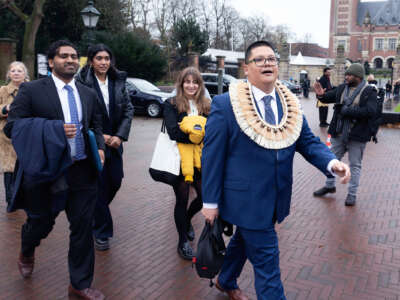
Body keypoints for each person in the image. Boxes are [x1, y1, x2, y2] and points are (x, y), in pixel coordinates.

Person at [201, 40, 350, 300]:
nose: (267, 63)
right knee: (268, 266)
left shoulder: (289, 103)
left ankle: (225, 280)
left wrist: (331, 162)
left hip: (276, 197)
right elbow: (212, 156)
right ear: (246, 68)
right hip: (245, 200)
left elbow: (307, 141)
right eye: (259, 59)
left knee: (241, 242)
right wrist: (210, 202)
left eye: (271, 58)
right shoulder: (225, 105)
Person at [4, 40, 106, 300]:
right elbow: (12, 126)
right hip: (47, 172)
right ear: (51, 62)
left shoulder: (87, 93)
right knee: (41, 223)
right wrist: (52, 130)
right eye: (64, 56)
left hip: (83, 170)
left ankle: (79, 284)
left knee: (83, 228)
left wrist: (101, 148)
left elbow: (95, 126)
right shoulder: (32, 90)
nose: (71, 60)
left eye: (74, 56)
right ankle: (28, 248)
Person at [76, 44, 133, 251]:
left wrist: (119, 136)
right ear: (91, 61)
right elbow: (81, 114)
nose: (103, 62)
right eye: (99, 58)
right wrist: (102, 136)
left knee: (115, 181)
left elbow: (128, 110)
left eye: (106, 58)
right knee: (99, 187)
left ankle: (93, 213)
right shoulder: (82, 81)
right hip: (94, 142)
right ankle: (102, 232)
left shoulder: (118, 81)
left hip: (115, 142)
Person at [313, 63, 377, 206]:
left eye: (349, 75)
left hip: (357, 135)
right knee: (331, 159)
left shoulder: (369, 91)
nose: (346, 77)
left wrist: (349, 111)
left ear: (358, 77)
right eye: (346, 74)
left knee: (355, 165)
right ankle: (330, 185)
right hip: (338, 132)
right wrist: (320, 94)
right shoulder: (342, 88)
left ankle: (352, 194)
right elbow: (327, 97)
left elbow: (371, 111)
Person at [163, 67, 210, 260]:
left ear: (200, 85)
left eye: (195, 82)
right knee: (181, 200)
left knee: (205, 197)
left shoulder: (206, 104)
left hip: (200, 160)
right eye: (187, 82)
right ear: (181, 84)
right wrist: (198, 137)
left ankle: (188, 220)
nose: (191, 85)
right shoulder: (171, 104)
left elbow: (212, 129)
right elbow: (174, 132)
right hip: (180, 160)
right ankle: (182, 241)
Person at [0, 61, 29, 210]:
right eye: (13, 71)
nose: (16, 73)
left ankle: (24, 199)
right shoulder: (3, 90)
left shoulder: (31, 89)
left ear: (25, 74)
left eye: (20, 71)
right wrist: (5, 108)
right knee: (9, 168)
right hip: (7, 136)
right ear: (9, 74)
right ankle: (11, 201)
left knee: (26, 166)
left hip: (27, 133)